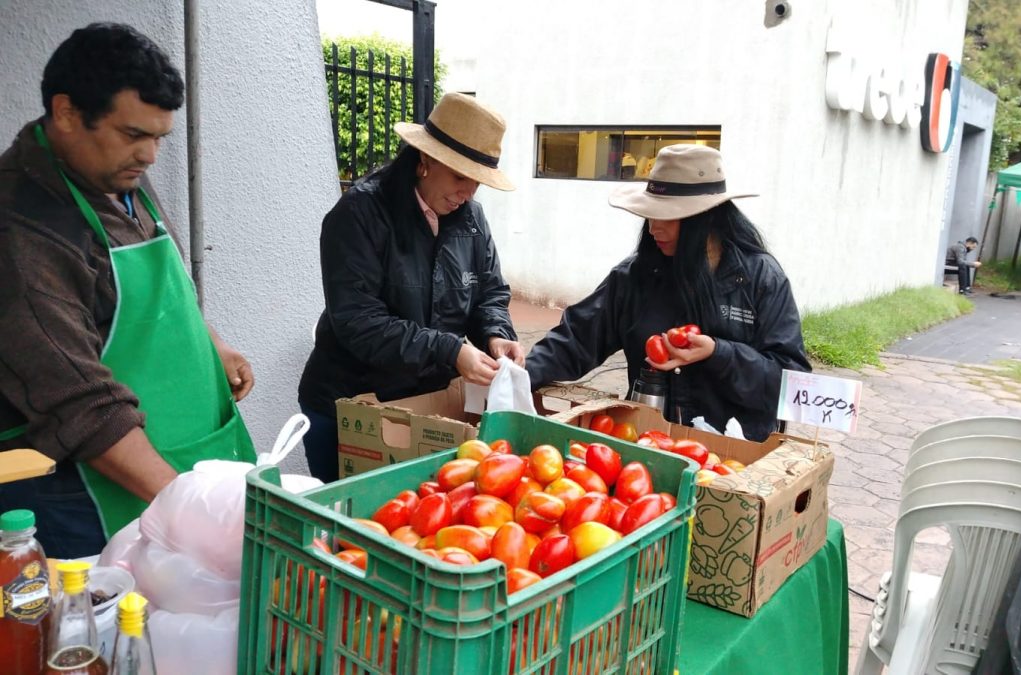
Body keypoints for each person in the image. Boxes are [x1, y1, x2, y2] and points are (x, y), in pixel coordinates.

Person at [0, 24, 256, 558]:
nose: (151, 155)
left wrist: (210, 343)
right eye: (134, 134)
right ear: (67, 113)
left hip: (173, 460)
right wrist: (189, 508)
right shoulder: (21, 228)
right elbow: (80, 406)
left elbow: (161, 291)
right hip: (80, 496)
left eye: (160, 136)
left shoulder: (115, 173)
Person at [298, 93, 524, 483]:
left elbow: (489, 292)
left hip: (424, 406)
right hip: (351, 404)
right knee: (350, 528)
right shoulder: (359, 214)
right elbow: (359, 322)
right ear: (425, 160)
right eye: (459, 176)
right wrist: (450, 349)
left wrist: (495, 334)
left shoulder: (471, 218)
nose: (467, 192)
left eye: (476, 182)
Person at [526, 144, 811, 441]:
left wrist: (717, 352)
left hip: (733, 455)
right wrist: (520, 372)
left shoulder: (762, 279)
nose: (653, 228)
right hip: (649, 446)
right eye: (651, 215)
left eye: (668, 216)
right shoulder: (635, 276)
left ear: (706, 217)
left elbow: (791, 385)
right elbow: (578, 338)